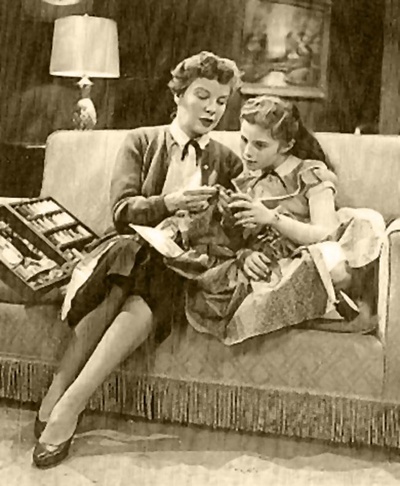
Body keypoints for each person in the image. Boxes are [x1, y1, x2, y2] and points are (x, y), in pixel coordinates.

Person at [32, 51, 243, 468]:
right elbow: (122, 211)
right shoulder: (142, 140)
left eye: (221, 101)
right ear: (178, 95)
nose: (212, 109)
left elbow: (234, 230)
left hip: (179, 264)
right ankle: (62, 391)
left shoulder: (227, 160)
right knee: (134, 255)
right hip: (126, 252)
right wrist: (169, 203)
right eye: (202, 96)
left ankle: (68, 402)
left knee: (163, 269)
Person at [163, 95, 384, 345]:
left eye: (260, 145)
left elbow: (326, 233)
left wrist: (272, 218)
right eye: (244, 140)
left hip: (312, 254)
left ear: (287, 145)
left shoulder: (309, 173)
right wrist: (245, 255)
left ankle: (335, 307)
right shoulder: (248, 180)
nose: (247, 152)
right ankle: (320, 311)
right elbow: (240, 238)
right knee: (218, 284)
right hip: (276, 261)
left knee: (331, 263)